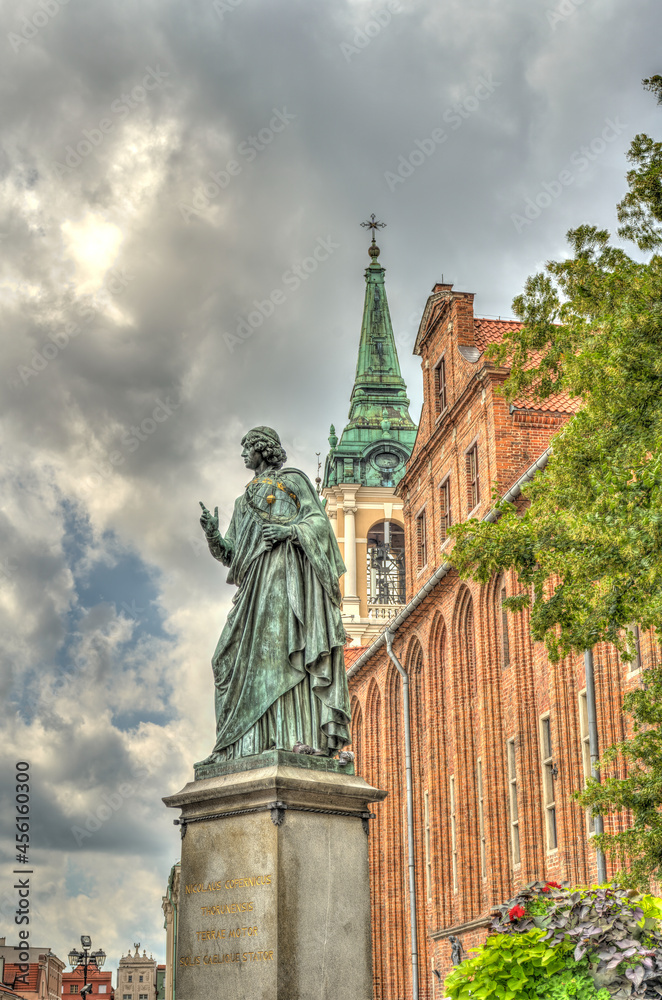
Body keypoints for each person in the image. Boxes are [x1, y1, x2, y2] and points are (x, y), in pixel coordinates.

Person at [197, 426, 351, 765]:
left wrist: (289, 530)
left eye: (247, 448)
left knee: (285, 650)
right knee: (224, 658)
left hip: (289, 580)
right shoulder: (242, 502)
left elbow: (320, 525)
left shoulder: (293, 482)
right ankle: (240, 745)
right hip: (255, 586)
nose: (243, 455)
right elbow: (232, 555)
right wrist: (212, 537)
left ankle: (293, 737)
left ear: (263, 450)